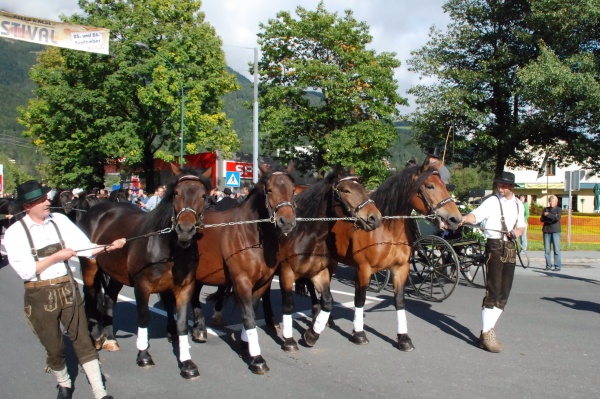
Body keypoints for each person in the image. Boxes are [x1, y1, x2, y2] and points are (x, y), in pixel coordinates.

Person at [4, 180, 126, 399]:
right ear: (27, 207)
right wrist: (56, 256)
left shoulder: (59, 220)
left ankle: (99, 391)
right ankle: (64, 383)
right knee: (54, 347)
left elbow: (85, 247)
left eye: (46, 197)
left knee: (83, 340)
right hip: (39, 294)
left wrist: (110, 246)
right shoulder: (15, 233)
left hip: (67, 287)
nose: (47, 201)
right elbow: (26, 271)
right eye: (41, 200)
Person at [458, 171, 525, 353]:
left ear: (511, 187)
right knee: (493, 290)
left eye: (504, 185)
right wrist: (464, 219)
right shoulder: (492, 201)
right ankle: (488, 334)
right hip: (494, 247)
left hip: (510, 247)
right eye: (499, 185)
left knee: (504, 293)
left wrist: (516, 233)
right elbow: (476, 216)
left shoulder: (519, 204)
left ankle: (486, 331)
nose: (500, 188)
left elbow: (521, 226)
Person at [541, 194, 562, 271]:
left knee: (556, 249)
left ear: (556, 202)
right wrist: (551, 216)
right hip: (546, 230)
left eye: (553, 201)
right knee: (547, 250)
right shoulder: (545, 209)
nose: (551, 203)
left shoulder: (559, 209)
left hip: (555, 231)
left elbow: (557, 218)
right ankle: (548, 265)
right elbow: (542, 219)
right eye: (550, 201)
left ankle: (557, 266)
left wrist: (548, 215)